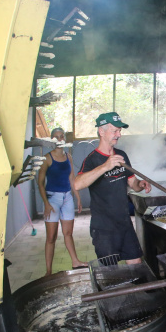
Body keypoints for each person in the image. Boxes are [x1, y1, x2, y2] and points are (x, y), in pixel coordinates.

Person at [73, 112, 151, 265]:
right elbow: (77, 184)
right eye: (115, 131)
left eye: (120, 131)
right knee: (111, 275)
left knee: (137, 268)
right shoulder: (92, 159)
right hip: (104, 229)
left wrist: (140, 184)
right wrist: (105, 167)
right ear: (101, 132)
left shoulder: (121, 155)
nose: (119, 135)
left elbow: (132, 183)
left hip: (124, 224)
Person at [38, 127, 87, 275]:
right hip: (52, 199)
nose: (60, 139)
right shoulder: (47, 158)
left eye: (62, 136)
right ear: (52, 140)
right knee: (51, 237)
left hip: (67, 198)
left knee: (68, 233)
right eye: (56, 137)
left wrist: (77, 198)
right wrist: (46, 203)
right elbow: (40, 183)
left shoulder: (68, 156)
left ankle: (75, 261)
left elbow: (72, 178)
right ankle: (48, 271)